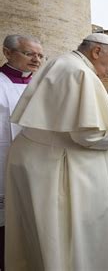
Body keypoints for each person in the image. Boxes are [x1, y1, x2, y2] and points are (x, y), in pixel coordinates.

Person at [5, 33, 108, 270]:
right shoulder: (79, 72)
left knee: (40, 238)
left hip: (39, 161)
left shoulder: (63, 63)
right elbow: (87, 135)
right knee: (63, 238)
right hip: (53, 168)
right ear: (96, 51)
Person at [0, 34, 44, 271]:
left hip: (34, 163)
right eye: (30, 54)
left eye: (40, 55)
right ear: (7, 52)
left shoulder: (41, 86)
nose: (36, 60)